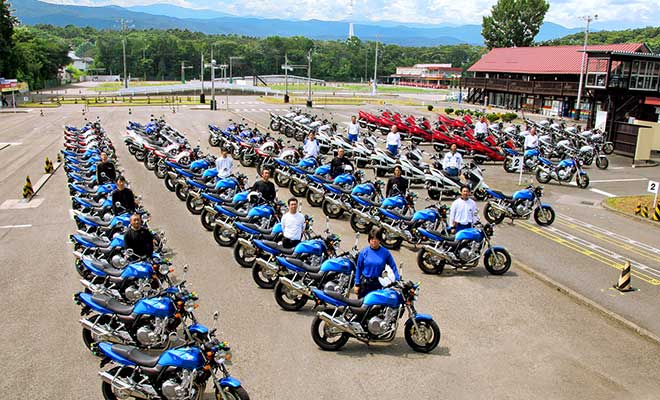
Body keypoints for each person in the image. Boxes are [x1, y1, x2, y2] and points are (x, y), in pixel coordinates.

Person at [353, 227, 400, 298]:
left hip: (378, 284)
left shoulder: (385, 253)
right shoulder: (364, 252)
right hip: (365, 284)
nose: (374, 241)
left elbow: (393, 266)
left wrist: (397, 279)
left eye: (376, 239)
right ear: (369, 240)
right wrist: (357, 284)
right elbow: (359, 268)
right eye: (372, 239)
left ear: (380, 240)